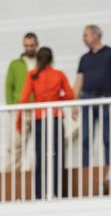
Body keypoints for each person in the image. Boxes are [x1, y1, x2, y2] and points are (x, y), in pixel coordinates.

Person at [18, 47, 73, 199]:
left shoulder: (32, 75)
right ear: (51, 59)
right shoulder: (59, 74)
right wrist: (56, 100)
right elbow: (70, 94)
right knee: (57, 155)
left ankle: (39, 193)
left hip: (39, 118)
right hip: (55, 117)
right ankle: (57, 191)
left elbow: (23, 99)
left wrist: (19, 121)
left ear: (37, 59)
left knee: (40, 155)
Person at [74, 25, 111, 189]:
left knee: (107, 137)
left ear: (96, 35)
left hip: (106, 99)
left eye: (85, 35)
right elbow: (79, 81)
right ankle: (86, 170)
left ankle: (110, 172)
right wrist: (75, 103)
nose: (83, 38)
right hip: (87, 100)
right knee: (86, 138)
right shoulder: (84, 58)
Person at [5, 32, 39, 170]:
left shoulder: (41, 62)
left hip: (38, 109)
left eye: (31, 45)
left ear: (36, 45)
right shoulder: (15, 64)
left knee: (37, 143)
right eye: (26, 45)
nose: (29, 48)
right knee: (16, 143)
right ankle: (12, 173)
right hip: (21, 110)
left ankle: (34, 172)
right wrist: (12, 107)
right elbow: (9, 86)